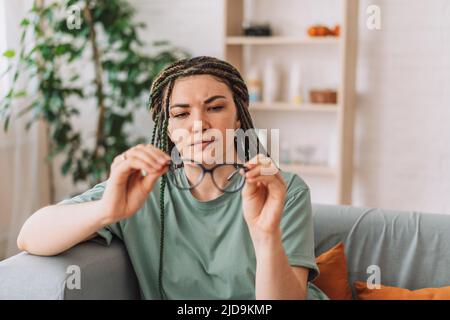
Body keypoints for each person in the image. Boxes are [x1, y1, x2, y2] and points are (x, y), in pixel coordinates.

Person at [17, 56, 328, 300]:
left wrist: (266, 236)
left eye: (216, 107)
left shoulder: (280, 189)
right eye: (181, 114)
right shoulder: (143, 192)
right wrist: (106, 211)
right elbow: (30, 235)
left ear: (238, 117)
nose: (199, 124)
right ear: (167, 129)